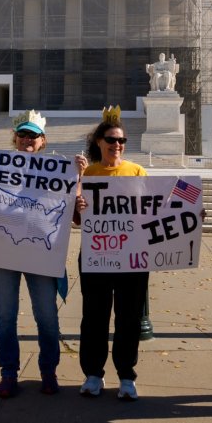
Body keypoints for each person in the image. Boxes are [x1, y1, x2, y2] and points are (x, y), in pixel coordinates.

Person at [0, 109, 64, 397]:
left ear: (42, 141)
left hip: (39, 255)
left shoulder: (58, 172)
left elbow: (67, 213)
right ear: (14, 139)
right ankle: (8, 373)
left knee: (46, 316)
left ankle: (48, 370)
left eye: (33, 136)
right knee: (5, 317)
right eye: (23, 135)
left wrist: (77, 183)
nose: (28, 140)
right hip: (3, 251)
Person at [72, 108, 148, 401]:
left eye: (121, 140)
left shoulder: (137, 171)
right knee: (94, 317)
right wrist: (78, 208)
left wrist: (189, 212)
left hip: (131, 257)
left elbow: (153, 210)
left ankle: (126, 376)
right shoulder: (88, 173)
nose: (117, 145)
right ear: (99, 142)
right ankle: (93, 374)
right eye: (112, 139)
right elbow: (78, 220)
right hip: (97, 256)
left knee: (129, 319)